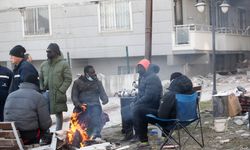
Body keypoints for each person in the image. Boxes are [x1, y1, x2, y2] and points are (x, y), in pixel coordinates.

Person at [4, 74, 52, 145]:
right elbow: (45, 124)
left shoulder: (10, 95)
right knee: (45, 131)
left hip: (12, 134)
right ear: (36, 83)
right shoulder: (38, 97)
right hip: (29, 136)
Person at [40, 43, 72, 131]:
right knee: (44, 115)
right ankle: (46, 134)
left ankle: (58, 134)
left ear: (56, 52)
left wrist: (61, 90)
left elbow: (68, 79)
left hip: (58, 94)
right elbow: (41, 78)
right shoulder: (44, 65)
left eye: (49, 52)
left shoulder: (63, 64)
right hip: (46, 94)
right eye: (47, 52)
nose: (47, 53)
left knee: (58, 114)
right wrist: (42, 89)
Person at [129, 61, 162, 147]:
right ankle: (129, 134)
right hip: (145, 104)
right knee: (125, 109)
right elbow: (140, 94)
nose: (138, 69)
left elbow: (149, 96)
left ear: (146, 67)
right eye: (138, 67)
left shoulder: (152, 78)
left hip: (153, 106)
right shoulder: (143, 77)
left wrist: (136, 104)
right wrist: (134, 101)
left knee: (137, 110)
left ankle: (142, 138)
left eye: (140, 67)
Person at [71, 65, 109, 139]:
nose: (94, 74)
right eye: (92, 73)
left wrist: (105, 99)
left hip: (95, 106)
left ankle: (96, 135)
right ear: (86, 74)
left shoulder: (98, 82)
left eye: (94, 72)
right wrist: (79, 105)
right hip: (81, 107)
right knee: (76, 126)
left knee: (96, 114)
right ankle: (79, 136)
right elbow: (74, 97)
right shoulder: (77, 82)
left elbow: (103, 94)